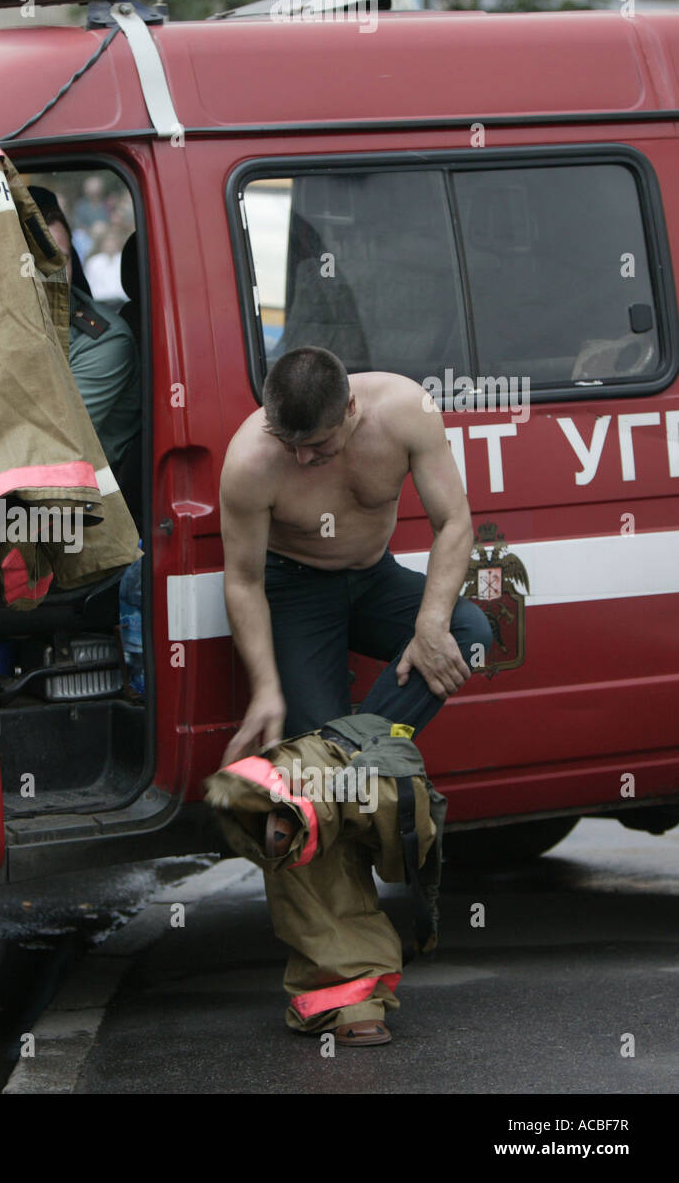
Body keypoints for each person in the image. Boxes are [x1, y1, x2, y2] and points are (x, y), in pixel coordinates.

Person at [217, 344, 491, 1044]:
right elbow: (244, 582)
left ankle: (330, 761)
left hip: (375, 578)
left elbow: (455, 522)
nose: (304, 462)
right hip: (295, 590)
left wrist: (430, 624)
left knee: (470, 629)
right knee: (314, 809)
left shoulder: (404, 410)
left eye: (320, 446)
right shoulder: (252, 460)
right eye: (292, 447)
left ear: (353, 409)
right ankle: (349, 992)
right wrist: (266, 689)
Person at [31, 186, 140, 472]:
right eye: (39, 260)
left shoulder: (105, 339)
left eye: (62, 259)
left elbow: (51, 443)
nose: (54, 272)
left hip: (78, 504)